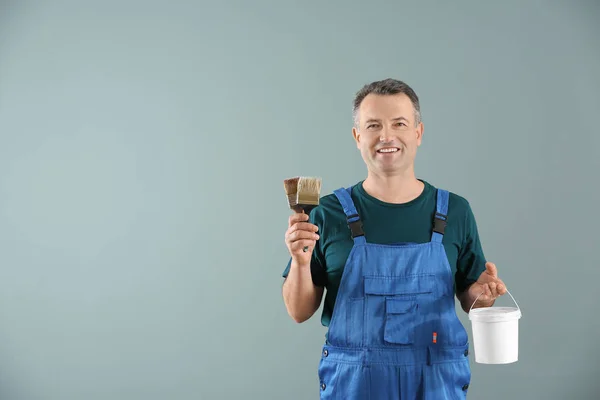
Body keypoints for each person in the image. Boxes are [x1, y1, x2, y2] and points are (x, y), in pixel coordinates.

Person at [281, 78, 508, 399]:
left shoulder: (455, 211)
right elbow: (298, 311)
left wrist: (483, 298)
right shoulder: (326, 214)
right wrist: (299, 261)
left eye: (399, 124)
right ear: (357, 137)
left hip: (435, 382)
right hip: (354, 385)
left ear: (418, 132)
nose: (386, 136)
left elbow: (471, 300)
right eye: (373, 125)